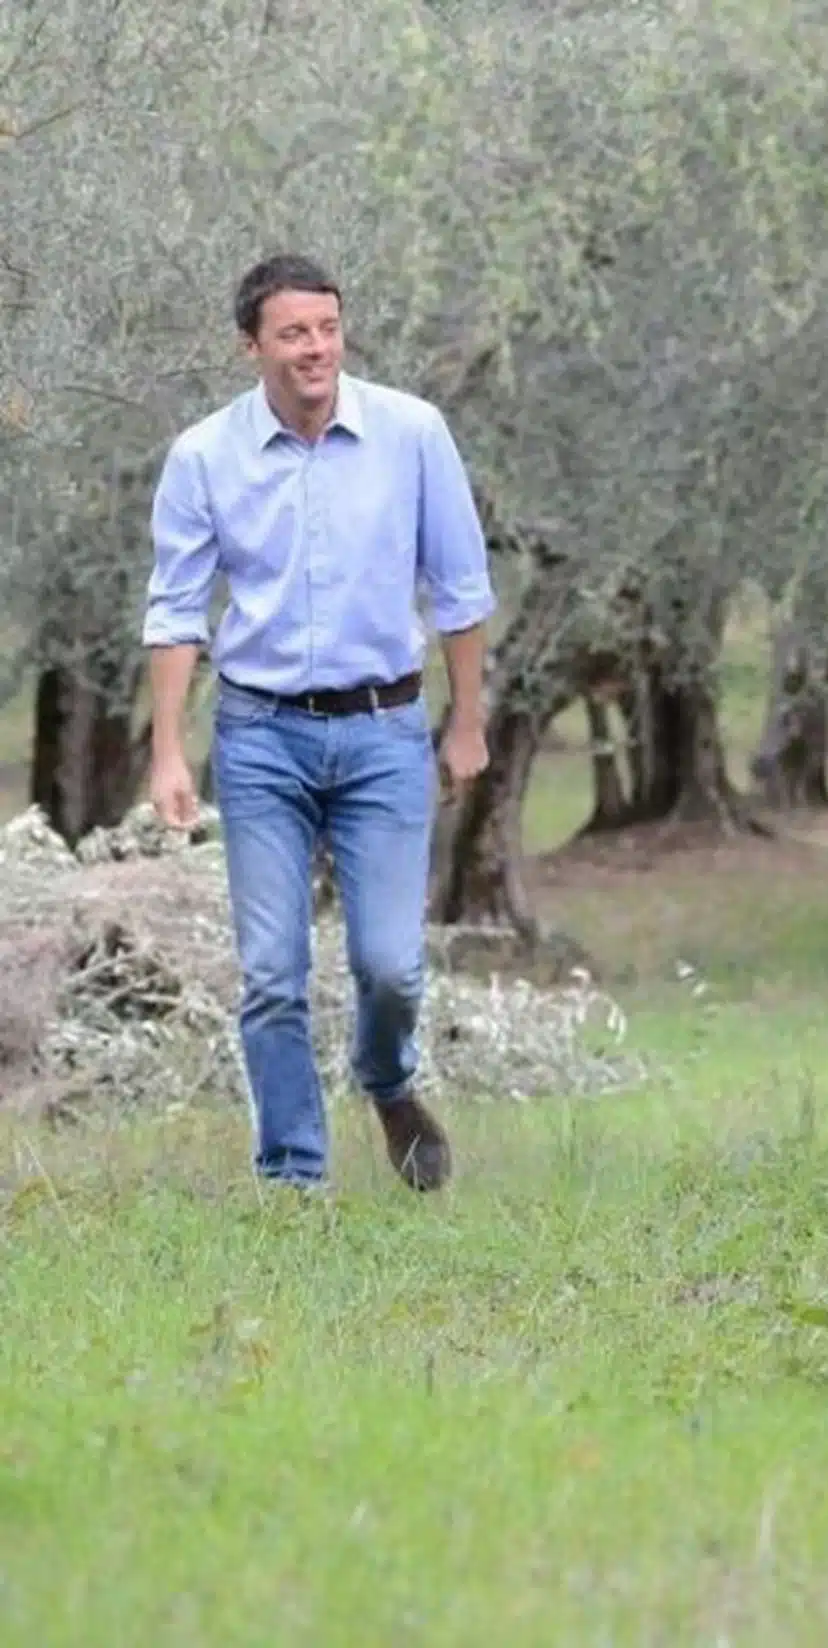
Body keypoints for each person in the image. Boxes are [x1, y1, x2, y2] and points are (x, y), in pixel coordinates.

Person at [142, 253, 497, 1193]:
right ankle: (293, 1179)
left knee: (389, 966)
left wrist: (467, 724)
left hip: (384, 733)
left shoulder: (413, 434)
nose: (316, 349)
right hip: (259, 739)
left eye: (328, 329)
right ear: (252, 345)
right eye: (294, 333)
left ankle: (387, 1081)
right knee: (271, 971)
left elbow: (460, 591)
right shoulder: (203, 456)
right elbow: (176, 612)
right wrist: (169, 750)